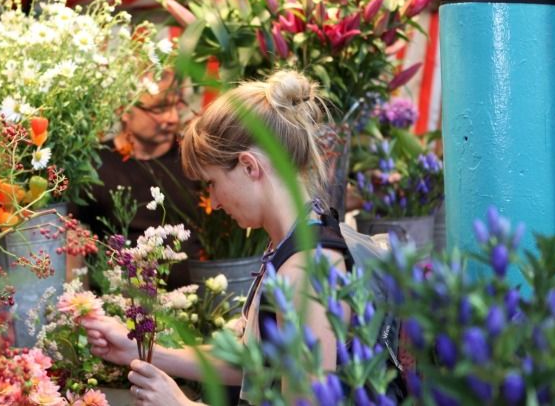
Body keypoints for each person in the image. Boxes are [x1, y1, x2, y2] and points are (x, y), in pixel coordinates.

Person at [81, 71, 352, 405]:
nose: (215, 202)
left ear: (249, 167)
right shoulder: (290, 245)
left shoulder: (307, 270)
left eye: (212, 182)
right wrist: (144, 351)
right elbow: (253, 361)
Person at [71, 68, 202, 290]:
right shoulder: (94, 165)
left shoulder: (192, 156)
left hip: (197, 299)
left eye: (175, 106)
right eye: (159, 108)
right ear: (124, 109)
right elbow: (73, 242)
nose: (171, 118)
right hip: (122, 304)